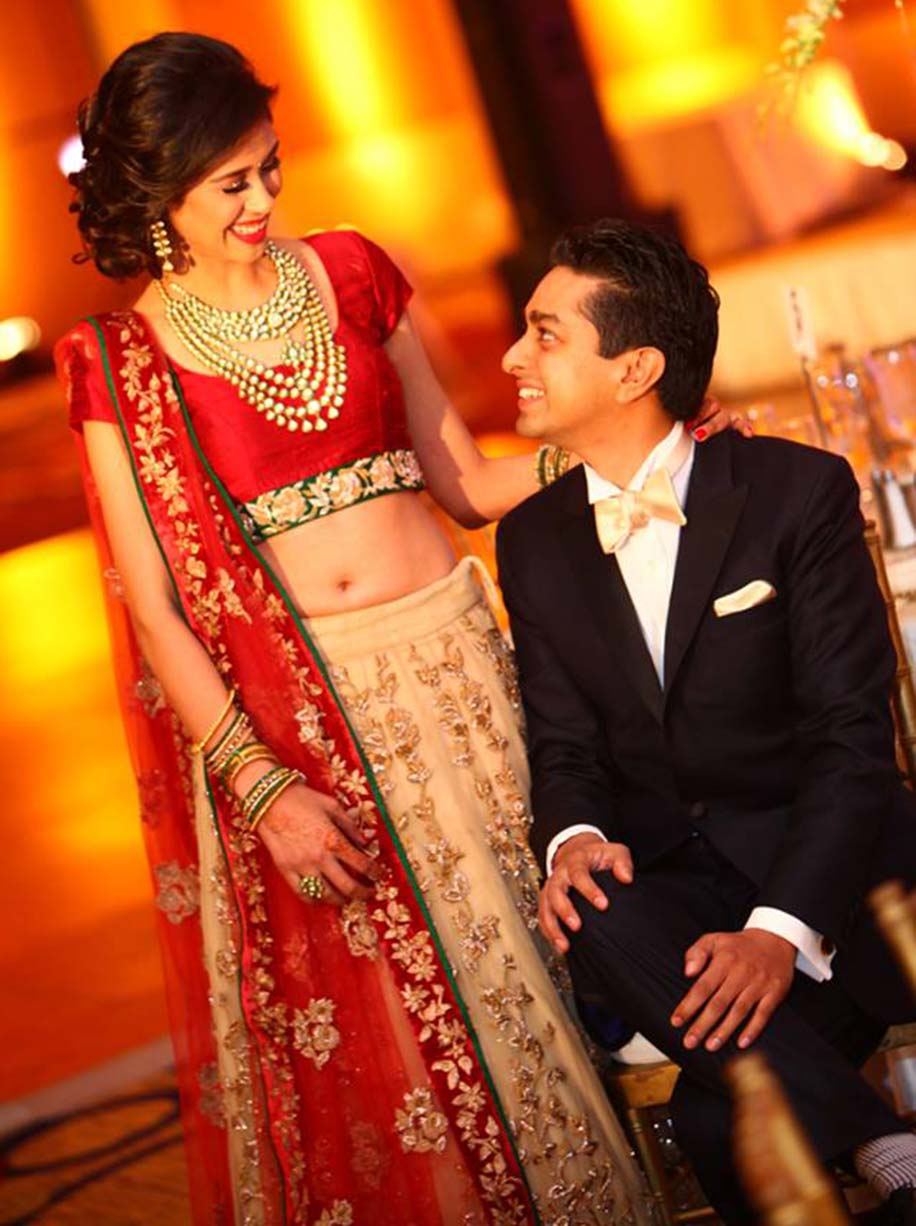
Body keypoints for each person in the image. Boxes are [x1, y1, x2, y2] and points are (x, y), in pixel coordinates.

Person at [53, 32, 746, 1226]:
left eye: (271, 166)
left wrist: (630, 444)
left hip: (466, 672)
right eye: (232, 183)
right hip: (315, 725)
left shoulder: (353, 273)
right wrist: (265, 788)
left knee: (568, 959)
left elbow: (462, 481)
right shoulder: (119, 364)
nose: (264, 200)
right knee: (428, 1035)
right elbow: (156, 609)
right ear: (159, 192)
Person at [496, 218, 916, 1225]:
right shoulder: (533, 539)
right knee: (587, 901)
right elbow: (563, 747)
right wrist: (574, 835)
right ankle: (887, 1144)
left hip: (832, 889)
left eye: (544, 334)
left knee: (721, 1121)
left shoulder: (794, 492)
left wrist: (775, 932)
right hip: (673, 916)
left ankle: (871, 1148)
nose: (512, 357)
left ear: (635, 368)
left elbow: (853, 745)